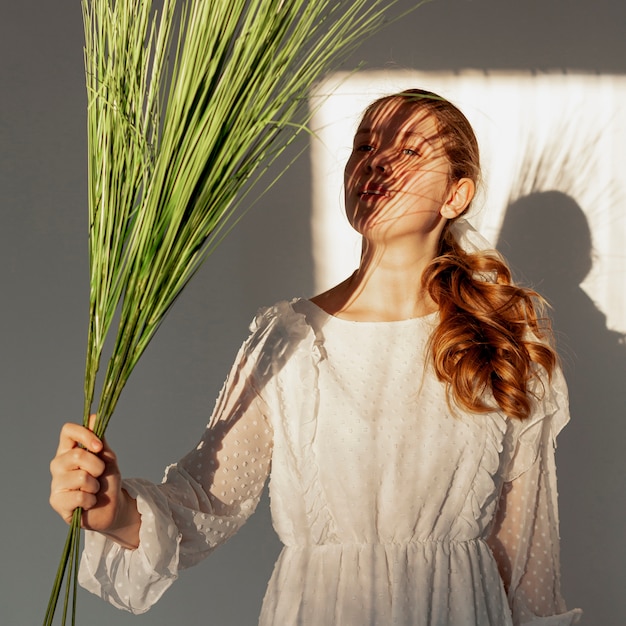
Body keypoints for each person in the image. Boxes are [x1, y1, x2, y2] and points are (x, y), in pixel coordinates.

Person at [49, 89, 582, 625]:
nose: (377, 160)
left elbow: (527, 557)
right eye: (364, 145)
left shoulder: (502, 342)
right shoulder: (288, 339)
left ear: (456, 195)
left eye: (410, 151)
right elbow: (207, 500)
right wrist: (114, 512)